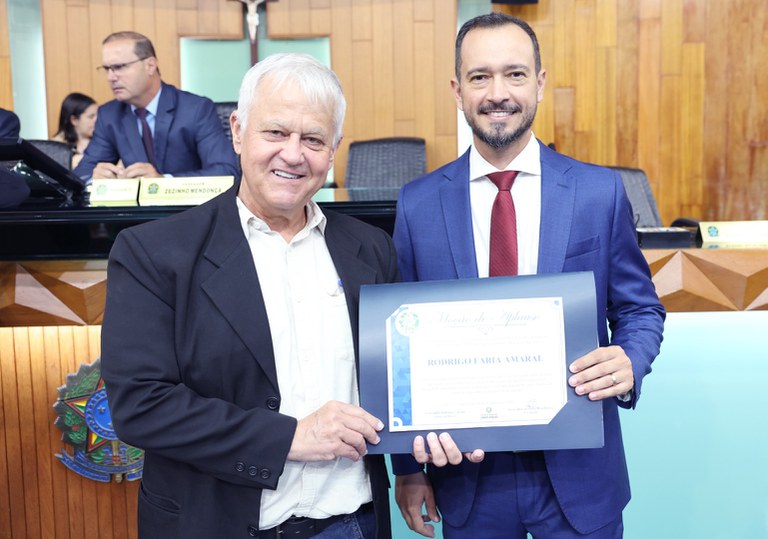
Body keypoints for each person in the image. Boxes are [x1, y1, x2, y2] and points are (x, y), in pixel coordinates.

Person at [391, 13, 665, 539]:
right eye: (480, 76)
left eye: (514, 74)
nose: (498, 93)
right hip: (467, 477)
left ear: (539, 84)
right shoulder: (418, 204)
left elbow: (639, 308)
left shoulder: (598, 193)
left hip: (580, 472)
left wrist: (631, 359)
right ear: (457, 90)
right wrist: (408, 468)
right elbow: (398, 341)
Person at [101, 53, 396, 538]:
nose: (293, 154)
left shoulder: (371, 248)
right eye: (275, 133)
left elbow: (396, 383)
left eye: (313, 139)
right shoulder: (154, 253)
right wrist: (290, 437)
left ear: (334, 150)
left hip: (352, 523)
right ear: (238, 132)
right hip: (214, 524)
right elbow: (142, 406)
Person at [74, 31, 237, 181]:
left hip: (190, 203)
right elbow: (81, 174)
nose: (110, 77)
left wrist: (164, 181)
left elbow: (226, 171)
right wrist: (94, 179)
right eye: (107, 69)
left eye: (119, 67)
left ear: (150, 66)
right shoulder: (109, 114)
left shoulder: (196, 109)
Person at [52, 92, 98, 168]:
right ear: (74, 120)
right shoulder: (56, 148)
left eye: (98, 116)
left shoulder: (104, 141)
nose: (97, 120)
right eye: (91, 117)